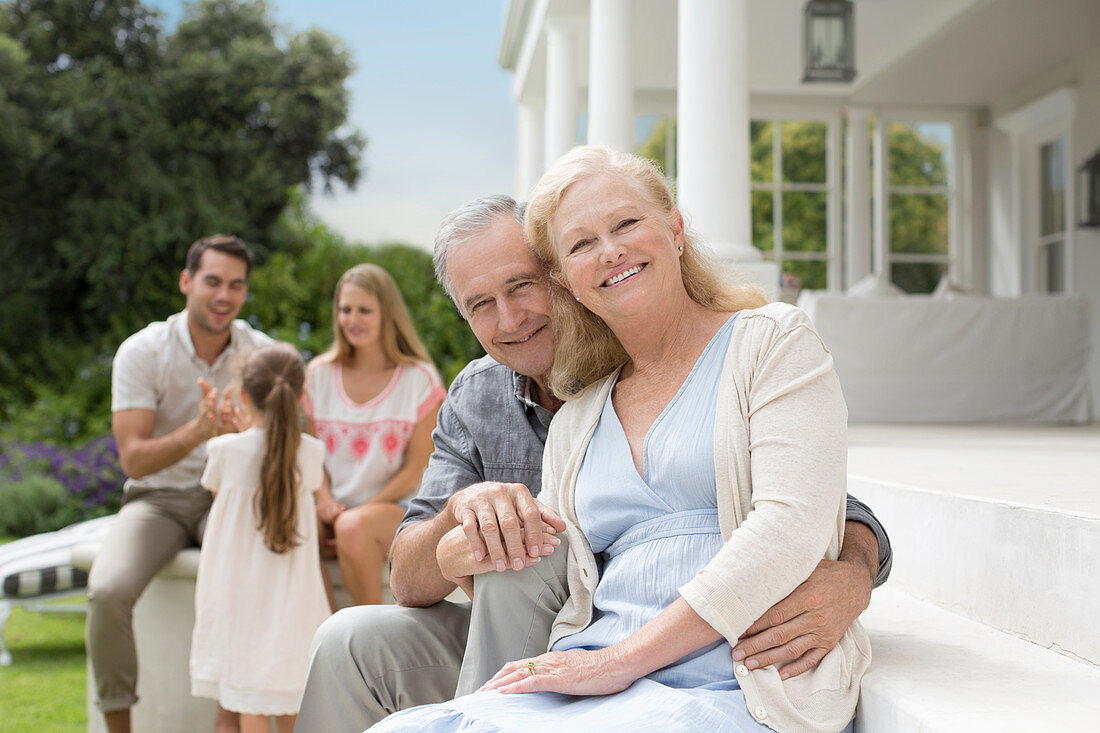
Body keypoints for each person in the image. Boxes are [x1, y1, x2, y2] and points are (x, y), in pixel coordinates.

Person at [293, 195, 890, 733]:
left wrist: (854, 574)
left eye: (522, 285)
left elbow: (816, 502)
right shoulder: (478, 394)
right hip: (541, 632)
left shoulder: (648, 348)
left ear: (562, 273)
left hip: (651, 634)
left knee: (524, 552)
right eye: (481, 304)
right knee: (348, 639)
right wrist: (460, 517)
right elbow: (405, 577)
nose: (510, 318)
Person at [89, 235, 272, 733]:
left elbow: (293, 435)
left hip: (227, 498)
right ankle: (119, 727)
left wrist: (251, 431)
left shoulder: (259, 352)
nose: (224, 295)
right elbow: (134, 461)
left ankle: (227, 717)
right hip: (158, 500)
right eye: (212, 281)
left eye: (236, 285)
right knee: (107, 591)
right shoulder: (143, 351)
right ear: (187, 282)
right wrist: (199, 430)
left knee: (254, 581)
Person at [191, 342, 330, 733]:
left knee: (248, 700)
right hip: (292, 601)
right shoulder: (311, 453)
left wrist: (237, 435)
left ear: (243, 395)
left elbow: (221, 494)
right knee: (289, 698)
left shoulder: (223, 450)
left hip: (240, 600)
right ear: (301, 396)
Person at [303, 264, 446, 605]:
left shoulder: (419, 380)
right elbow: (311, 455)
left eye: (364, 310)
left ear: (387, 314)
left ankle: (368, 633)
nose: (353, 319)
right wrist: (324, 501)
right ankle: (323, 628)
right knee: (294, 523)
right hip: (332, 505)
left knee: (353, 527)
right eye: (345, 309)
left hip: (395, 506)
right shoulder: (319, 375)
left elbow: (415, 468)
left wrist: (358, 510)